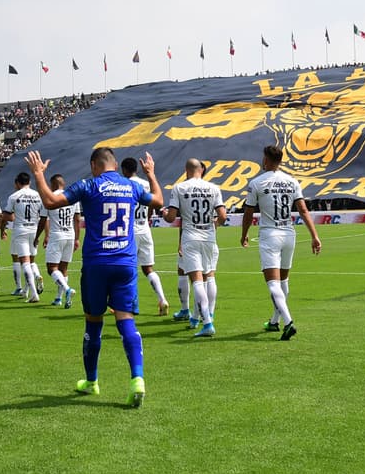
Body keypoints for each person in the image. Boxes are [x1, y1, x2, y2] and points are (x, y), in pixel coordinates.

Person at [26, 147, 162, 407]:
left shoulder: (88, 185)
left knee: (93, 322)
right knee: (126, 320)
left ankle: (91, 381)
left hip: (97, 263)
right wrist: (152, 174)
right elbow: (157, 200)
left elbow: (51, 202)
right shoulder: (131, 187)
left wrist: (38, 174)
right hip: (125, 263)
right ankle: (137, 379)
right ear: (115, 163)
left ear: (94, 165)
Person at [240, 145, 322, 341]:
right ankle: (275, 321)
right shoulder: (292, 181)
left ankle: (288, 322)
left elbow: (249, 211)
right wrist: (314, 235)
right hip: (289, 234)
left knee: (273, 283)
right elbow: (303, 210)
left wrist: (244, 234)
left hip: (270, 235)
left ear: (266, 160)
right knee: (283, 281)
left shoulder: (257, 183)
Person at [164, 159, 226, 337]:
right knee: (210, 277)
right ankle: (209, 315)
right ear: (202, 170)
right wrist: (212, 227)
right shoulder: (213, 188)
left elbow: (171, 218)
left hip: (190, 238)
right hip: (209, 237)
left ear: (186, 170)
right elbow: (222, 215)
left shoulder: (179, 188)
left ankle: (206, 323)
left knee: (197, 280)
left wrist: (164, 213)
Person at [121, 157, 168, 316]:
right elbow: (153, 203)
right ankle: (162, 299)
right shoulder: (146, 183)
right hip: (144, 228)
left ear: (124, 170)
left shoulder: (125, 184)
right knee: (148, 269)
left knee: (128, 268)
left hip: (130, 230)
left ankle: (131, 304)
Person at [0, 171, 43, 302]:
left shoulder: (14, 196)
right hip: (34, 230)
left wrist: (12, 217)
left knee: (25, 263)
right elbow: (43, 215)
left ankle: (34, 294)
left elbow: (7, 214)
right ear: (29, 182)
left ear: (17, 183)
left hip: (21, 230)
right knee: (32, 261)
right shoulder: (37, 195)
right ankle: (27, 289)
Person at [38, 174, 80, 308]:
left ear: (53, 184)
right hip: (70, 235)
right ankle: (58, 298)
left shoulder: (50, 197)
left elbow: (43, 220)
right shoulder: (73, 197)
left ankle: (67, 289)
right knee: (64, 268)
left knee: (52, 269)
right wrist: (77, 239)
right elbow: (77, 219)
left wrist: (38, 236)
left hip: (57, 235)